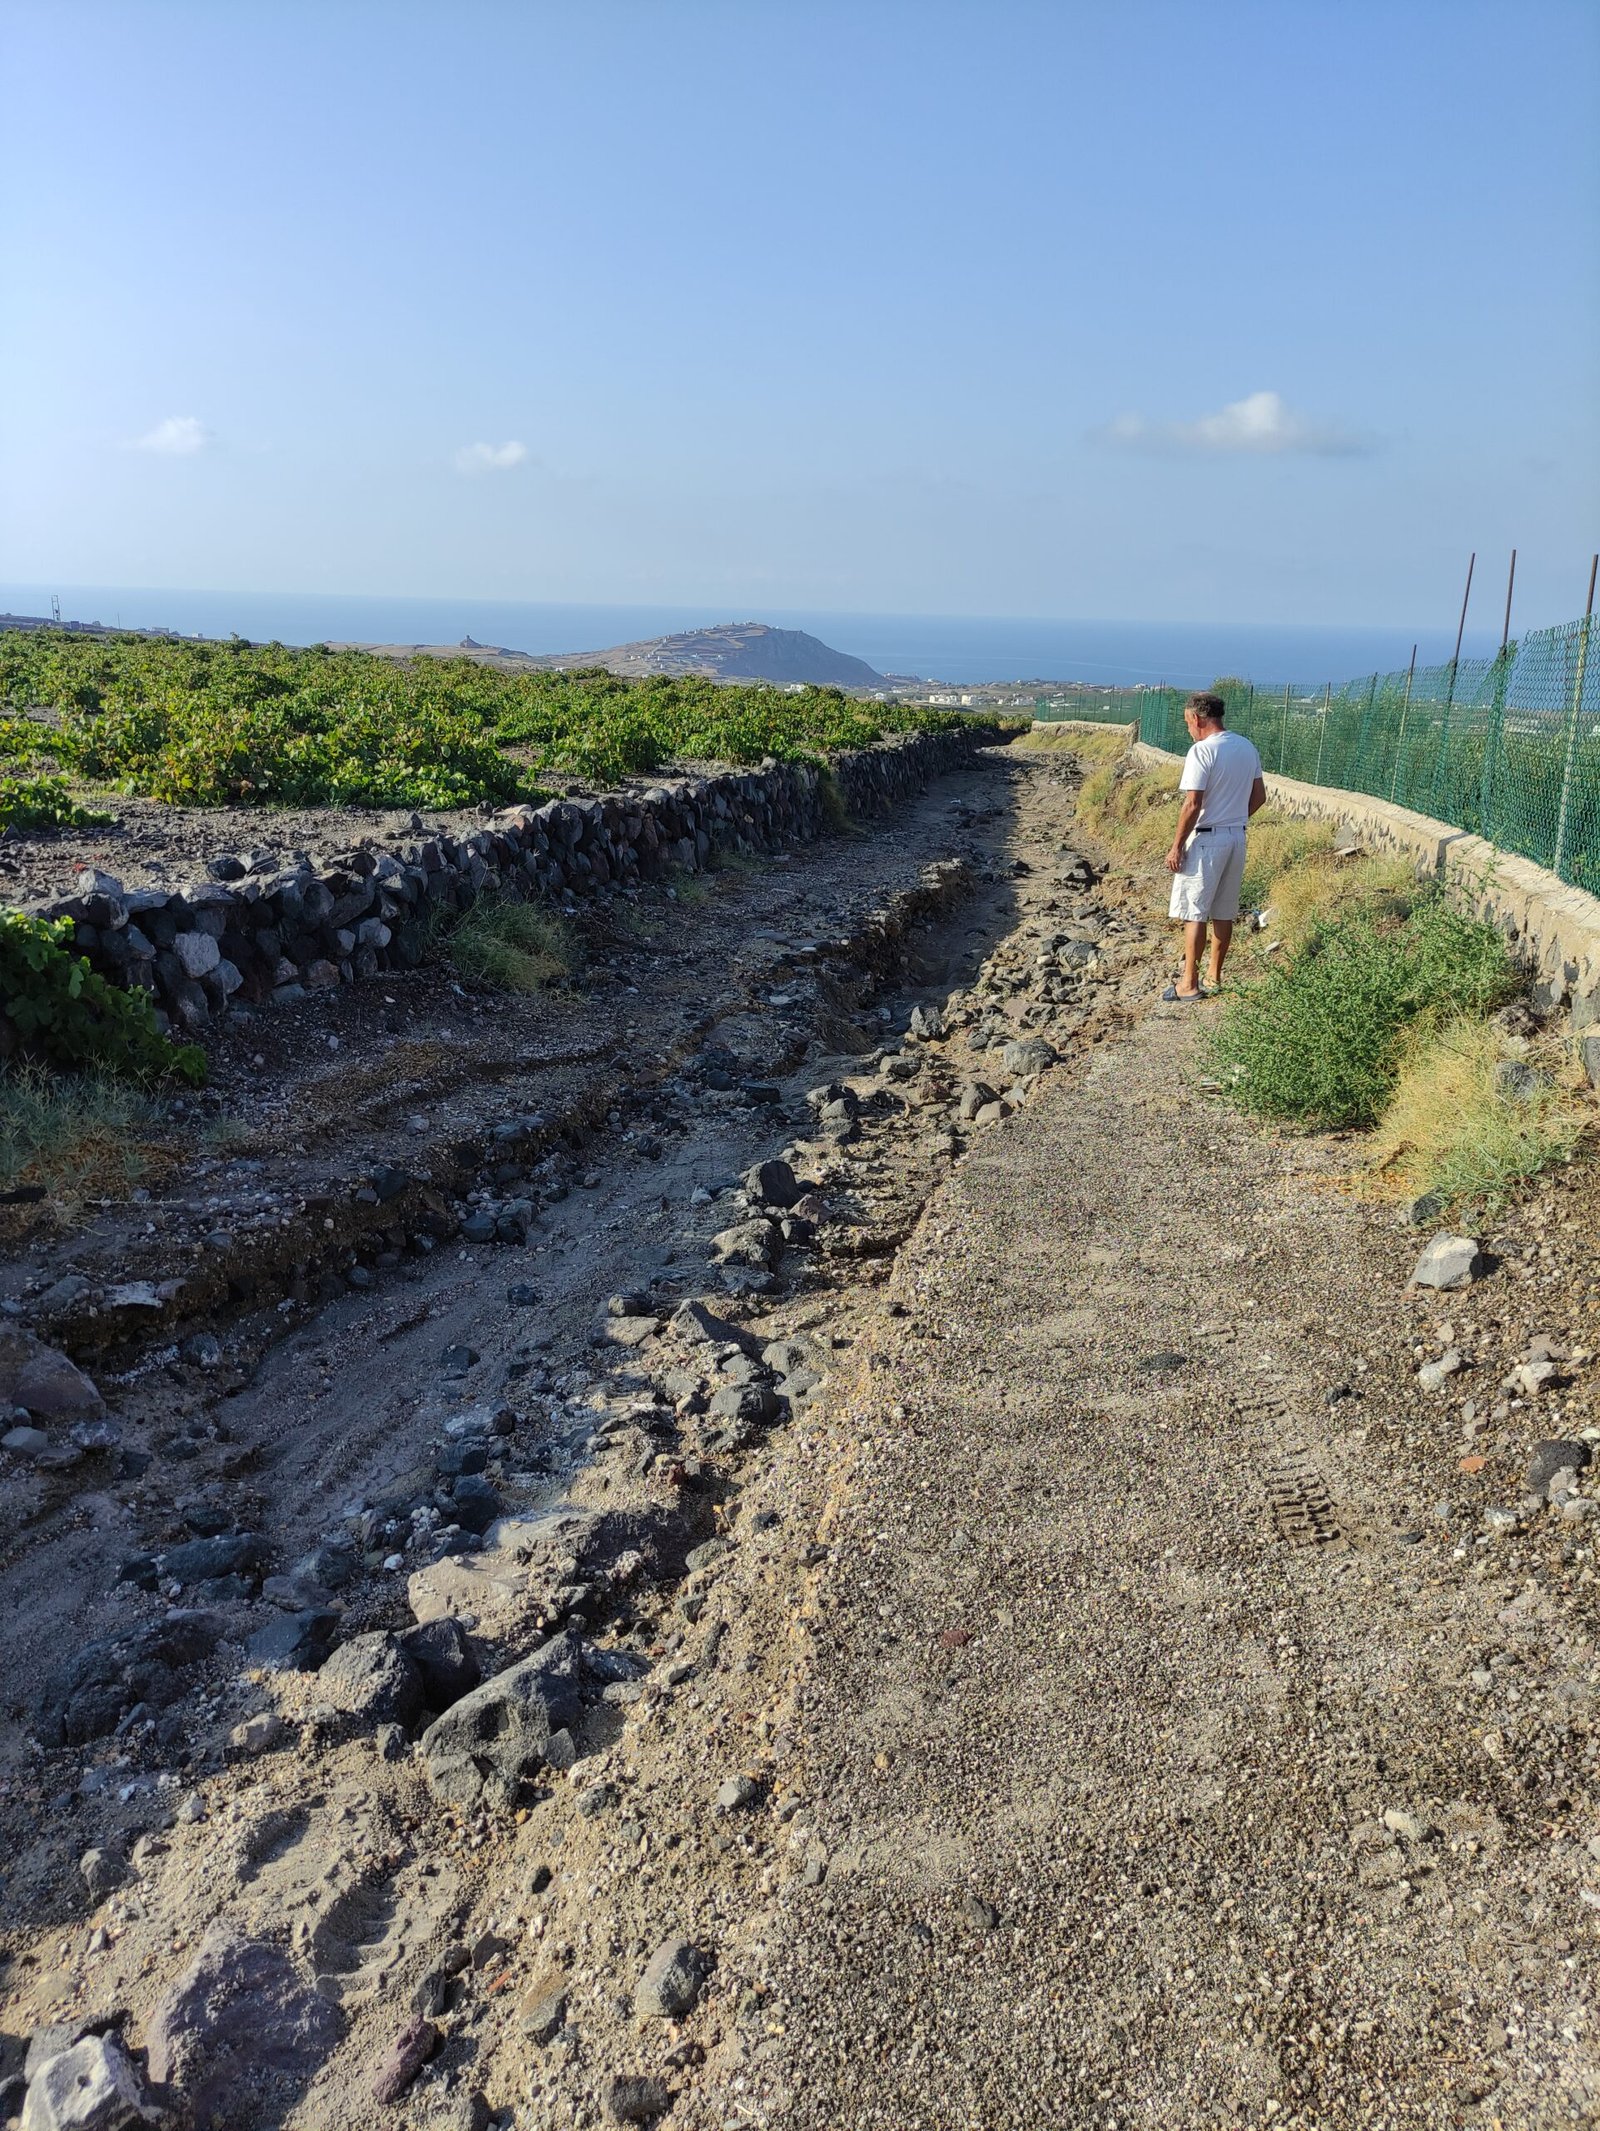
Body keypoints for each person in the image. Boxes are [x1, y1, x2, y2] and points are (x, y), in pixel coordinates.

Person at [1161, 691, 1267, 1001]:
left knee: (1195, 912)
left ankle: (1189, 983)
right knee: (1224, 911)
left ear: (1197, 718)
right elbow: (1259, 796)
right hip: (1237, 837)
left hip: (1207, 839)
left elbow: (1192, 803)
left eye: (1187, 723)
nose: (1188, 729)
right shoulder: (1246, 747)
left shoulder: (1201, 752)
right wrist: (1233, 817)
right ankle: (1215, 976)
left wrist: (1176, 845)